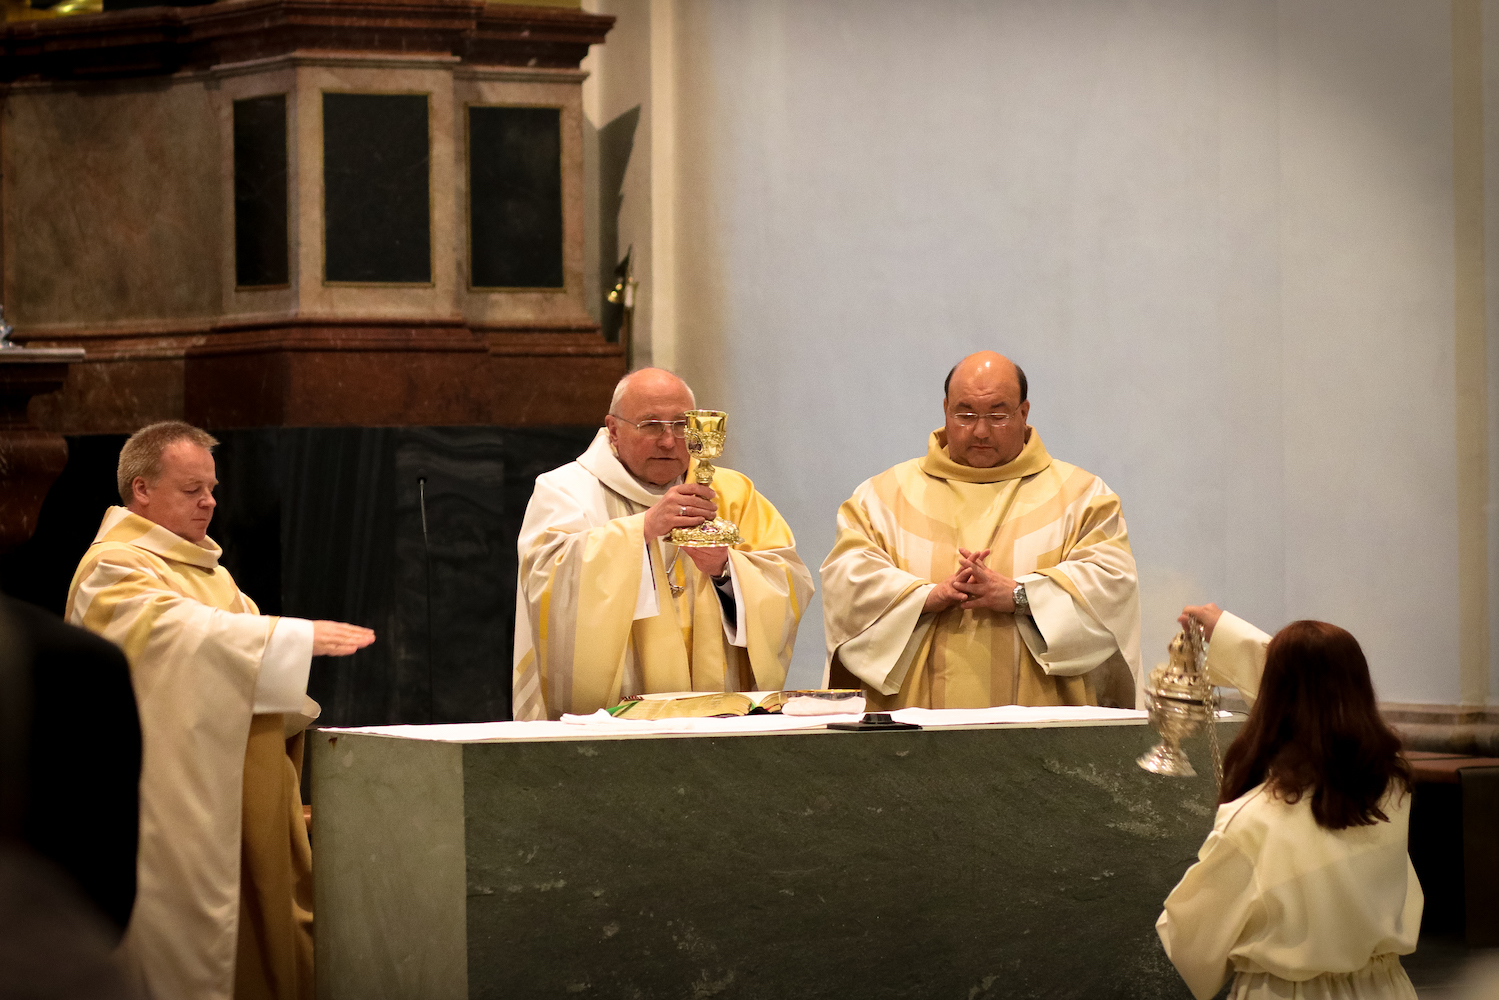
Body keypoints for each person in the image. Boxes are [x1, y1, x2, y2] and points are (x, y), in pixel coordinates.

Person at [66, 421, 375, 1000]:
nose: (210, 501)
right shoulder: (113, 567)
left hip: (239, 781)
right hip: (167, 798)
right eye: (192, 490)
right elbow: (170, 634)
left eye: (212, 488)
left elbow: (237, 639)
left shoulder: (213, 572)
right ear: (141, 490)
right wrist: (286, 637)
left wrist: (276, 640)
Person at [819, 351, 1140, 710]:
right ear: (945, 410)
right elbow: (847, 583)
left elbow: (1111, 586)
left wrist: (1022, 597)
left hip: (1042, 727)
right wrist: (924, 598)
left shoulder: (1083, 496)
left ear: (1024, 412)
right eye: (965, 414)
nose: (981, 430)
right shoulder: (880, 497)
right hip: (911, 727)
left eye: (998, 415)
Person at [512, 368, 814, 720]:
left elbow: (790, 581)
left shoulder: (733, 493)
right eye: (651, 425)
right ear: (613, 430)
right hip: (611, 719)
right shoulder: (566, 491)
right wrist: (642, 529)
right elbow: (546, 583)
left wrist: (725, 571)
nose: (669, 441)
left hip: (719, 714)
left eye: (682, 426)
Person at [1157, 603, 1421, 1000]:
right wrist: (1230, 633)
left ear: (1273, 698)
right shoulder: (1390, 787)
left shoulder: (1252, 821)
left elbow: (1192, 944)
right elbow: (1323, 690)